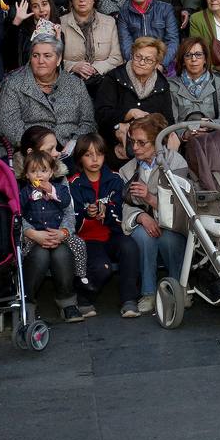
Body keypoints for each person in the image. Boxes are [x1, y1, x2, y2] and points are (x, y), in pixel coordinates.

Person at [119, 113, 190, 315]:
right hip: (143, 221)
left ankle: (179, 290)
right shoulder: (127, 169)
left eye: (142, 143)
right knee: (144, 237)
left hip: (173, 223)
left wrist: (150, 198)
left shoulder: (176, 163)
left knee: (170, 240)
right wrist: (142, 217)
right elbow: (124, 205)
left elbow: (182, 204)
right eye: (133, 142)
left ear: (158, 142)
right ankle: (149, 292)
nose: (135, 148)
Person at [66, 134, 136, 317]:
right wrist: (87, 213)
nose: (95, 159)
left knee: (129, 247)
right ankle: (84, 297)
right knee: (101, 267)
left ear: (105, 155)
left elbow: (122, 210)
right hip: (88, 239)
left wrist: (108, 210)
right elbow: (71, 220)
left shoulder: (114, 179)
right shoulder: (73, 183)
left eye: (99, 154)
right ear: (80, 157)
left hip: (112, 233)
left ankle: (129, 300)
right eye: (88, 155)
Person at [16, 149, 84, 324]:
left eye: (43, 170)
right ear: (26, 175)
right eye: (33, 171)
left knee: (62, 254)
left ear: (52, 172)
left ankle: (67, 301)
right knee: (39, 256)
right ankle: (28, 302)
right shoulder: (24, 192)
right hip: (34, 237)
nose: (39, 175)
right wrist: (32, 233)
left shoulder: (60, 189)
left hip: (59, 235)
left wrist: (63, 233)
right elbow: (17, 215)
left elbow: (69, 211)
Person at [0, 34, 95, 155]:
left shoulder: (75, 84)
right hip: (32, 153)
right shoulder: (14, 84)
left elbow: (88, 122)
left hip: (71, 152)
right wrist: (39, 146)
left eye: (47, 56)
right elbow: (8, 126)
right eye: (35, 56)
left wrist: (76, 142)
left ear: (58, 59)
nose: (40, 61)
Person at [93, 37, 174, 163]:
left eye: (148, 60)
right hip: (113, 144)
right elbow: (101, 115)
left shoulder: (162, 85)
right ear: (131, 55)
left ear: (157, 64)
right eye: (138, 57)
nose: (141, 62)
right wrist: (128, 114)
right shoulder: (114, 78)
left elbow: (168, 121)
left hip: (150, 147)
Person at [59, 0, 124, 96]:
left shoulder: (109, 22)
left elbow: (117, 58)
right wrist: (73, 66)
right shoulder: (60, 23)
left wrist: (95, 68)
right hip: (69, 83)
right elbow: (53, 59)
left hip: (104, 82)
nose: (81, 0)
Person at [117, 0, 180, 70]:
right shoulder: (124, 14)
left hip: (162, 63)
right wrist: (137, 65)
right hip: (136, 64)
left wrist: (162, 64)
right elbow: (126, 45)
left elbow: (173, 41)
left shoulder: (165, 9)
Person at [169, 36, 220, 127]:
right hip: (183, 139)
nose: (194, 59)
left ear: (205, 59)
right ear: (183, 61)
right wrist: (185, 133)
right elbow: (171, 123)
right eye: (188, 55)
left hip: (213, 137)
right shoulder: (171, 85)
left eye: (198, 54)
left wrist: (208, 125)